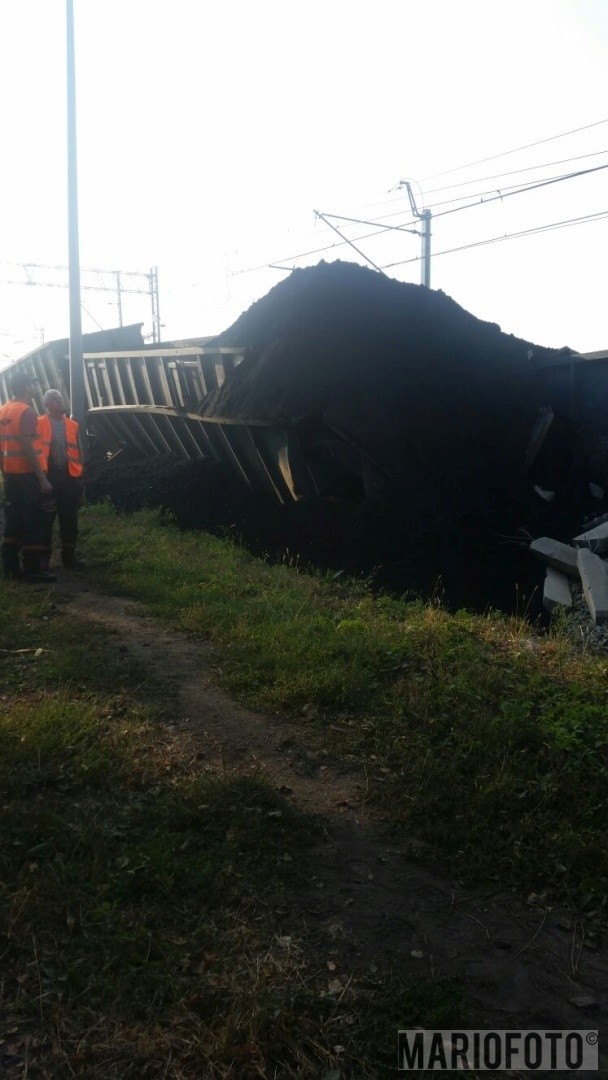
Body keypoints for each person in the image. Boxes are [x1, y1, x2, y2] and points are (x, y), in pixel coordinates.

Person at [0, 372, 56, 582]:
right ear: (25, 387)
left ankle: (10, 567)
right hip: (28, 476)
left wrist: (4, 472)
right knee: (34, 520)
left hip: (12, 475)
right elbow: (28, 446)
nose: (35, 388)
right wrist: (42, 478)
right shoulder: (27, 412)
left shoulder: (4, 410)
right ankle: (33, 570)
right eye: (33, 384)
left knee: (13, 520)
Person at [37, 389, 85, 570]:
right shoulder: (39, 423)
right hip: (48, 476)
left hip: (69, 477)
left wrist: (80, 473)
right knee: (45, 520)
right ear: (47, 404)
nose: (59, 402)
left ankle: (69, 558)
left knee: (70, 519)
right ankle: (43, 560)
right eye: (55, 400)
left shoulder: (72, 425)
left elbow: (79, 451)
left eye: (60, 399)